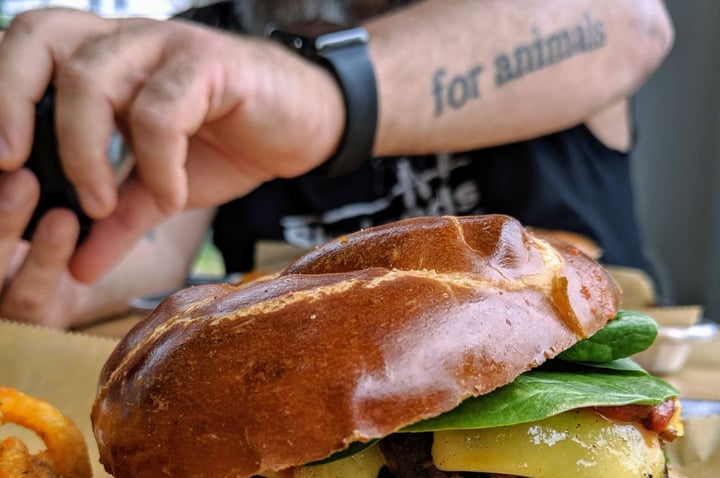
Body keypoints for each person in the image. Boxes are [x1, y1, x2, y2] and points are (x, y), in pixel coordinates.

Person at [0, 0, 674, 328]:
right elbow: (153, 241)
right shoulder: (214, 34)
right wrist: (60, 281)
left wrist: (323, 97)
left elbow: (634, 23)